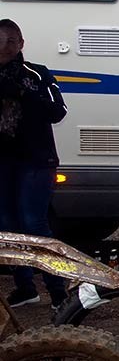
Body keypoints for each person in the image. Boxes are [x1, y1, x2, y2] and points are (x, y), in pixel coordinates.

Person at [0, 18, 69, 310]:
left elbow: (57, 111)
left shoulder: (37, 75)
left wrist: (21, 92)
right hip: (3, 161)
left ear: (21, 44)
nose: (4, 48)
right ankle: (25, 287)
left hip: (36, 161)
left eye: (10, 42)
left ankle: (59, 293)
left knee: (34, 223)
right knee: (6, 224)